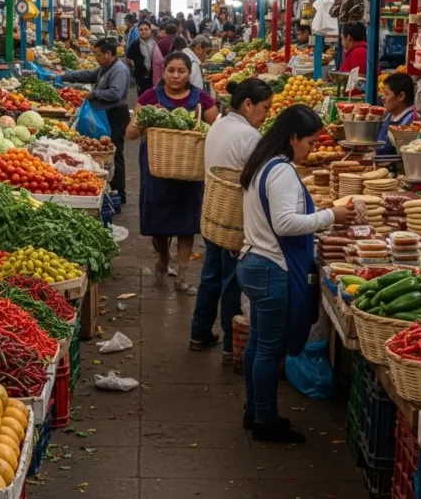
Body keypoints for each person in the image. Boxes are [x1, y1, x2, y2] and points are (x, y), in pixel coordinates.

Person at [238, 104, 356, 442]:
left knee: (258, 343)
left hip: (254, 263)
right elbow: (285, 224)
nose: (312, 149)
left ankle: (255, 410)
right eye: (310, 142)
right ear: (292, 138)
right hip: (270, 268)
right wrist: (331, 216)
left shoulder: (263, 163)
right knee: (268, 349)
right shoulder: (282, 172)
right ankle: (265, 421)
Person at [190, 78, 272, 361]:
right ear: (248, 104)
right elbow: (260, 181)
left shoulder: (220, 124)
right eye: (265, 108)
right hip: (235, 218)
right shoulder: (250, 136)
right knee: (231, 282)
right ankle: (230, 345)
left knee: (211, 275)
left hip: (215, 213)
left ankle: (199, 332)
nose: (267, 114)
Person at [126, 52, 219, 294]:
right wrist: (146, 118)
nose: (176, 76)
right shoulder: (149, 97)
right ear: (163, 71)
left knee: (187, 222)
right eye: (171, 70)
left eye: (181, 71)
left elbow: (217, 130)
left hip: (189, 170)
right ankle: (164, 257)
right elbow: (130, 133)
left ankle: (182, 277)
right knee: (159, 221)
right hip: (157, 169)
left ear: (190, 73)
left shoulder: (202, 99)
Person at [58, 38, 131, 203]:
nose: (96, 58)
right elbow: (88, 75)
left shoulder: (119, 69)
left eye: (98, 55)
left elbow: (115, 93)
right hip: (105, 114)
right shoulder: (105, 68)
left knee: (115, 153)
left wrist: (93, 94)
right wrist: (64, 76)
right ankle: (108, 186)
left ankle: (120, 192)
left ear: (108, 54)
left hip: (116, 115)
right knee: (107, 152)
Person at [377, 72, 417, 156]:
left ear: (401, 96)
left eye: (387, 94)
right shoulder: (389, 116)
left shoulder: (414, 122)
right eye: (383, 93)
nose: (382, 98)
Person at [125, 20, 156, 96]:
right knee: (143, 96)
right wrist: (135, 68)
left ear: (150, 30)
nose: (143, 31)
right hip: (141, 77)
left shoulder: (155, 44)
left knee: (154, 96)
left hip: (154, 76)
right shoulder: (134, 45)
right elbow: (128, 59)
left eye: (146, 29)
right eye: (141, 30)